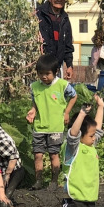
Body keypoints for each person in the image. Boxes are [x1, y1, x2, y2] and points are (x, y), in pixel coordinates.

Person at [26, 54, 77, 190]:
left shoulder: (62, 85)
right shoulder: (35, 86)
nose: (44, 77)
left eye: (47, 74)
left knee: (54, 154)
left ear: (55, 72)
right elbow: (35, 102)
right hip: (39, 127)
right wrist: (33, 110)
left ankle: (54, 182)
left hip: (55, 127)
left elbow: (74, 96)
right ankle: (38, 181)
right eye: (40, 73)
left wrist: (66, 112)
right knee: (38, 155)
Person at [60, 94, 104, 207]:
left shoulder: (90, 145)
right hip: (74, 198)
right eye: (91, 136)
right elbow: (73, 135)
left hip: (89, 198)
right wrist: (82, 113)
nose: (94, 138)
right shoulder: (73, 148)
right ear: (81, 135)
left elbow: (97, 129)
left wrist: (100, 107)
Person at [36, 0, 74, 80]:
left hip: (56, 67)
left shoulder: (65, 18)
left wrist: (69, 65)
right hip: (40, 67)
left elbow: (68, 44)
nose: (59, 0)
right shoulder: (39, 14)